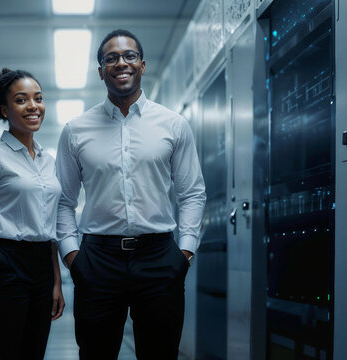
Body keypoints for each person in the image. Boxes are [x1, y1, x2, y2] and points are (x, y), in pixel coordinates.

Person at [56, 29, 206, 359]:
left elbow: (192, 193)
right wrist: (72, 258)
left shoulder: (173, 125)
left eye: (129, 56)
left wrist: (184, 254)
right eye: (111, 58)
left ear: (142, 65)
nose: (120, 63)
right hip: (97, 260)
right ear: (101, 71)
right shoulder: (75, 131)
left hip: (160, 259)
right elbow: (63, 201)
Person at [0, 68, 64, 360]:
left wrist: (56, 282)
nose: (33, 106)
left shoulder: (49, 161)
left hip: (43, 264)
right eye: (21, 100)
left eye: (38, 98)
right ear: (4, 109)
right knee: (2, 351)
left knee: (34, 352)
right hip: (5, 263)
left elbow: (49, 225)